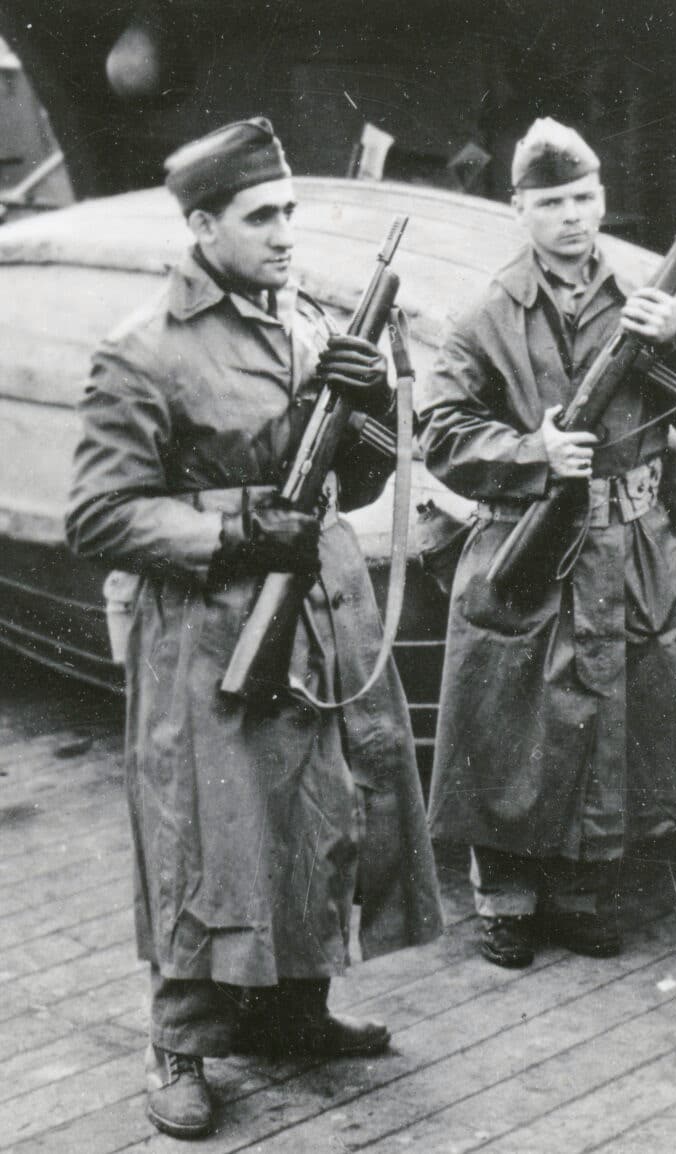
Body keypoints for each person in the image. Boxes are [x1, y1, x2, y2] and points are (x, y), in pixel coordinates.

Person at [66, 119, 443, 1139]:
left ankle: (295, 1008)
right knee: (207, 828)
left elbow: (344, 473)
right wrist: (235, 527)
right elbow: (99, 515)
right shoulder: (143, 349)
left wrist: (364, 414)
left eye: (289, 211)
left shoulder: (309, 324)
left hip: (312, 608)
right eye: (260, 215)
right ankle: (178, 1040)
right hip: (207, 620)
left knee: (318, 809)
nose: (285, 232)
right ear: (201, 225)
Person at [419, 118, 676, 969]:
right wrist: (533, 453)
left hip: (627, 544)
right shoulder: (485, 310)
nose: (571, 217)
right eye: (550, 202)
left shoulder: (648, 300)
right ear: (518, 209)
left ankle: (582, 889)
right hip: (525, 539)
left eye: (584, 198)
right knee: (509, 721)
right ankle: (508, 898)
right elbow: (440, 432)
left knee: (608, 714)